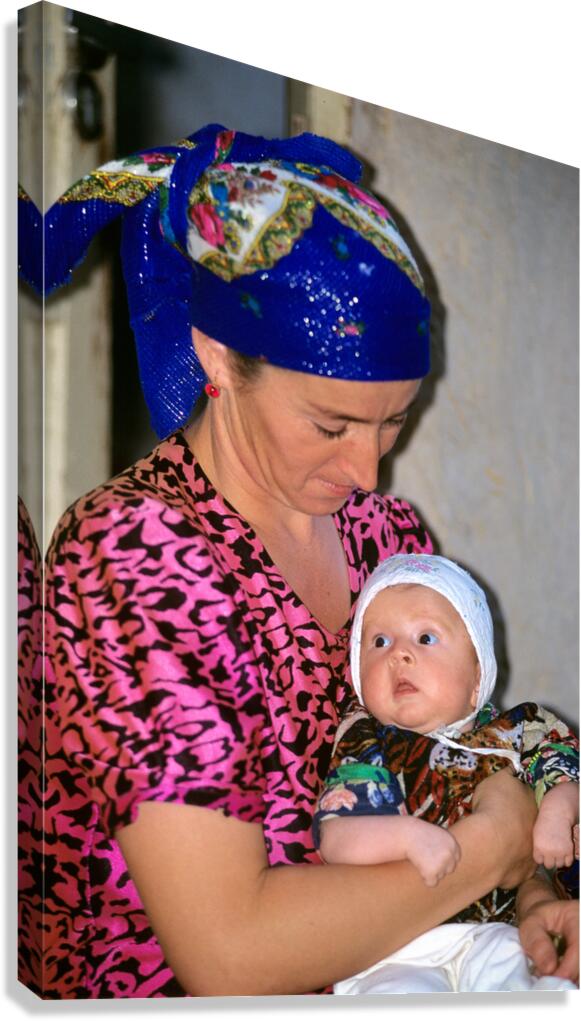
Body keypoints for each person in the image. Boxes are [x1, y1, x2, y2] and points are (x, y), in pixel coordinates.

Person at [30, 124, 577, 998]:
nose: (367, 470)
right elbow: (229, 956)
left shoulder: (383, 534)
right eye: (330, 424)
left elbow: (444, 766)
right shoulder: (133, 557)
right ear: (217, 358)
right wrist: (492, 849)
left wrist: (535, 894)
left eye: (393, 420)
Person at [314, 552, 579, 993]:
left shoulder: (515, 731)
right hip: (394, 943)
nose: (399, 654)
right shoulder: (369, 741)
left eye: (425, 637)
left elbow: (565, 768)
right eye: (378, 642)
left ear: (477, 677)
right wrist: (405, 837)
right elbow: (336, 837)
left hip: (497, 932)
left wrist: (557, 806)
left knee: (529, 980)